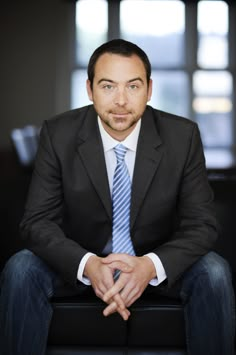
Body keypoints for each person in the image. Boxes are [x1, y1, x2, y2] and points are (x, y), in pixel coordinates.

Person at [0, 39, 234, 355]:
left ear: (149, 89)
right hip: (82, 260)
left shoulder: (182, 136)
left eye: (133, 86)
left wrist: (149, 267)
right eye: (108, 86)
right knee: (21, 268)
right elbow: (37, 222)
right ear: (90, 88)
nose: (120, 100)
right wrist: (88, 264)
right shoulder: (58, 134)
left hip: (153, 262)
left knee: (214, 272)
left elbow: (202, 224)